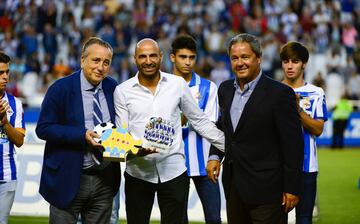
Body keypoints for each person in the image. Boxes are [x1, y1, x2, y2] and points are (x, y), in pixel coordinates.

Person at [113, 38, 224, 224]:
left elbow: (200, 121)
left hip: (174, 172)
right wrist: (133, 150)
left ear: (161, 57)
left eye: (152, 56)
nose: (148, 61)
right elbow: (121, 135)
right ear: (135, 59)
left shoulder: (177, 85)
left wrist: (231, 145)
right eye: (142, 56)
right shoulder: (122, 91)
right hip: (138, 173)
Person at [206, 33, 304, 224]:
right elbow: (225, 129)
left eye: (245, 57)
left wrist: (292, 187)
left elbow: (293, 145)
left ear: (258, 58)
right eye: (235, 58)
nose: (240, 63)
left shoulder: (280, 94)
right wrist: (215, 156)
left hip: (268, 191)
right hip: (234, 188)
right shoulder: (225, 89)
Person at [36, 37, 120, 224]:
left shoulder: (113, 87)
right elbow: (43, 128)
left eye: (106, 62)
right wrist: (81, 135)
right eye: (96, 60)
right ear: (83, 60)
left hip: (104, 180)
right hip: (68, 177)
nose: (101, 67)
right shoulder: (60, 88)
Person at [170, 35, 221, 224]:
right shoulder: (161, 87)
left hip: (205, 163)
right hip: (173, 164)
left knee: (214, 219)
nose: (188, 62)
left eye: (191, 57)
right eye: (183, 57)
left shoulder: (209, 87)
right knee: (178, 219)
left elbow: (210, 125)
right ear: (172, 57)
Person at [280, 41, 328, 224]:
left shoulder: (316, 92)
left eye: (295, 61)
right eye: (286, 61)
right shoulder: (274, 91)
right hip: (279, 167)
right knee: (278, 217)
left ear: (304, 64)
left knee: (304, 219)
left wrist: (297, 110)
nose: (290, 66)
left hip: (307, 168)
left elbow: (318, 129)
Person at [0, 52, 25, 224]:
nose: (5, 77)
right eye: (0, 73)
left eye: (7, 72)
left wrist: (4, 122)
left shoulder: (15, 103)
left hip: (7, 176)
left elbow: (19, 141)